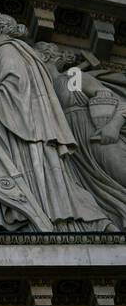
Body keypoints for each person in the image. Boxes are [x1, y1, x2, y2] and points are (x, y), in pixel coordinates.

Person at [0, 14, 112, 232]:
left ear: (0, 31)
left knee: (38, 176)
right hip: (21, 126)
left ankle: (58, 219)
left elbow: (15, 82)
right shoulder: (14, 52)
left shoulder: (7, 50)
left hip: (22, 130)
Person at [35, 41, 126, 230]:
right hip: (75, 148)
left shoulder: (72, 76)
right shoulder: (42, 90)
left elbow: (116, 102)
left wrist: (113, 126)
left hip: (97, 135)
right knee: (101, 192)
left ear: (44, 57)